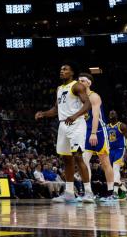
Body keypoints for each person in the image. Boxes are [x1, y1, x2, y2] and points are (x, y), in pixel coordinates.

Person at [35, 64, 93, 204]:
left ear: (72, 73)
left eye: (65, 69)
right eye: (61, 69)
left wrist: (75, 115)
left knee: (78, 157)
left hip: (76, 124)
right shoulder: (59, 89)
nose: (62, 71)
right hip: (63, 125)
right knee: (66, 159)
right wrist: (43, 113)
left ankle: (89, 192)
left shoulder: (77, 86)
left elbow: (88, 104)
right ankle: (69, 193)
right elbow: (56, 109)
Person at [77, 74, 117, 205]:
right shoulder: (78, 98)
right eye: (79, 81)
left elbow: (95, 116)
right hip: (85, 131)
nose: (80, 82)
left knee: (105, 162)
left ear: (89, 83)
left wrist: (93, 133)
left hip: (99, 131)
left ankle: (111, 193)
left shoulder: (94, 96)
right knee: (83, 161)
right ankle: (88, 192)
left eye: (83, 80)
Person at [105, 111, 127, 200]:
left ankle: (115, 193)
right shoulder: (106, 127)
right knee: (112, 173)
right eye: (110, 113)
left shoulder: (121, 126)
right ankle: (125, 190)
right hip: (110, 151)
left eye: (113, 113)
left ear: (117, 116)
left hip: (120, 150)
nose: (112, 114)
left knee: (115, 169)